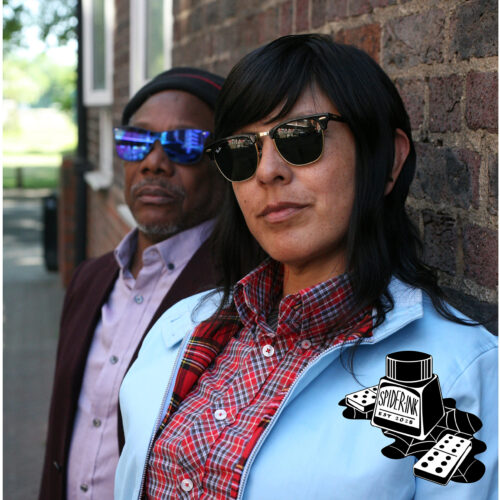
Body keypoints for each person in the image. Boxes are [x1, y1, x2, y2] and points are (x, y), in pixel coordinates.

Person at [115, 35, 497, 500]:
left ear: (388, 159)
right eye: (242, 150)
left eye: (300, 137)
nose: (266, 172)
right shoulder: (182, 327)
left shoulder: (457, 375)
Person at [39, 67, 225, 500]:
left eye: (185, 144)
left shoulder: (237, 296)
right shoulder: (89, 279)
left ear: (222, 162)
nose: (153, 162)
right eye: (136, 141)